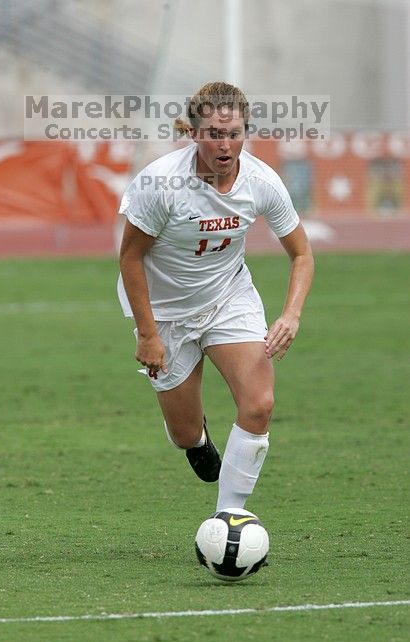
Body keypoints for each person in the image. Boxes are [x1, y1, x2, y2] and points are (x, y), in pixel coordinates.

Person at [118, 82, 314, 512]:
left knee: (259, 405)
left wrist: (291, 315)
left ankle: (229, 517)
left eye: (234, 133)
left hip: (229, 298)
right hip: (165, 312)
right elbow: (130, 259)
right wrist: (148, 335)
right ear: (193, 132)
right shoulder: (162, 183)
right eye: (213, 134)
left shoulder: (262, 182)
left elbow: (301, 253)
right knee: (185, 433)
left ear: (246, 132)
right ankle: (196, 437)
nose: (225, 145)